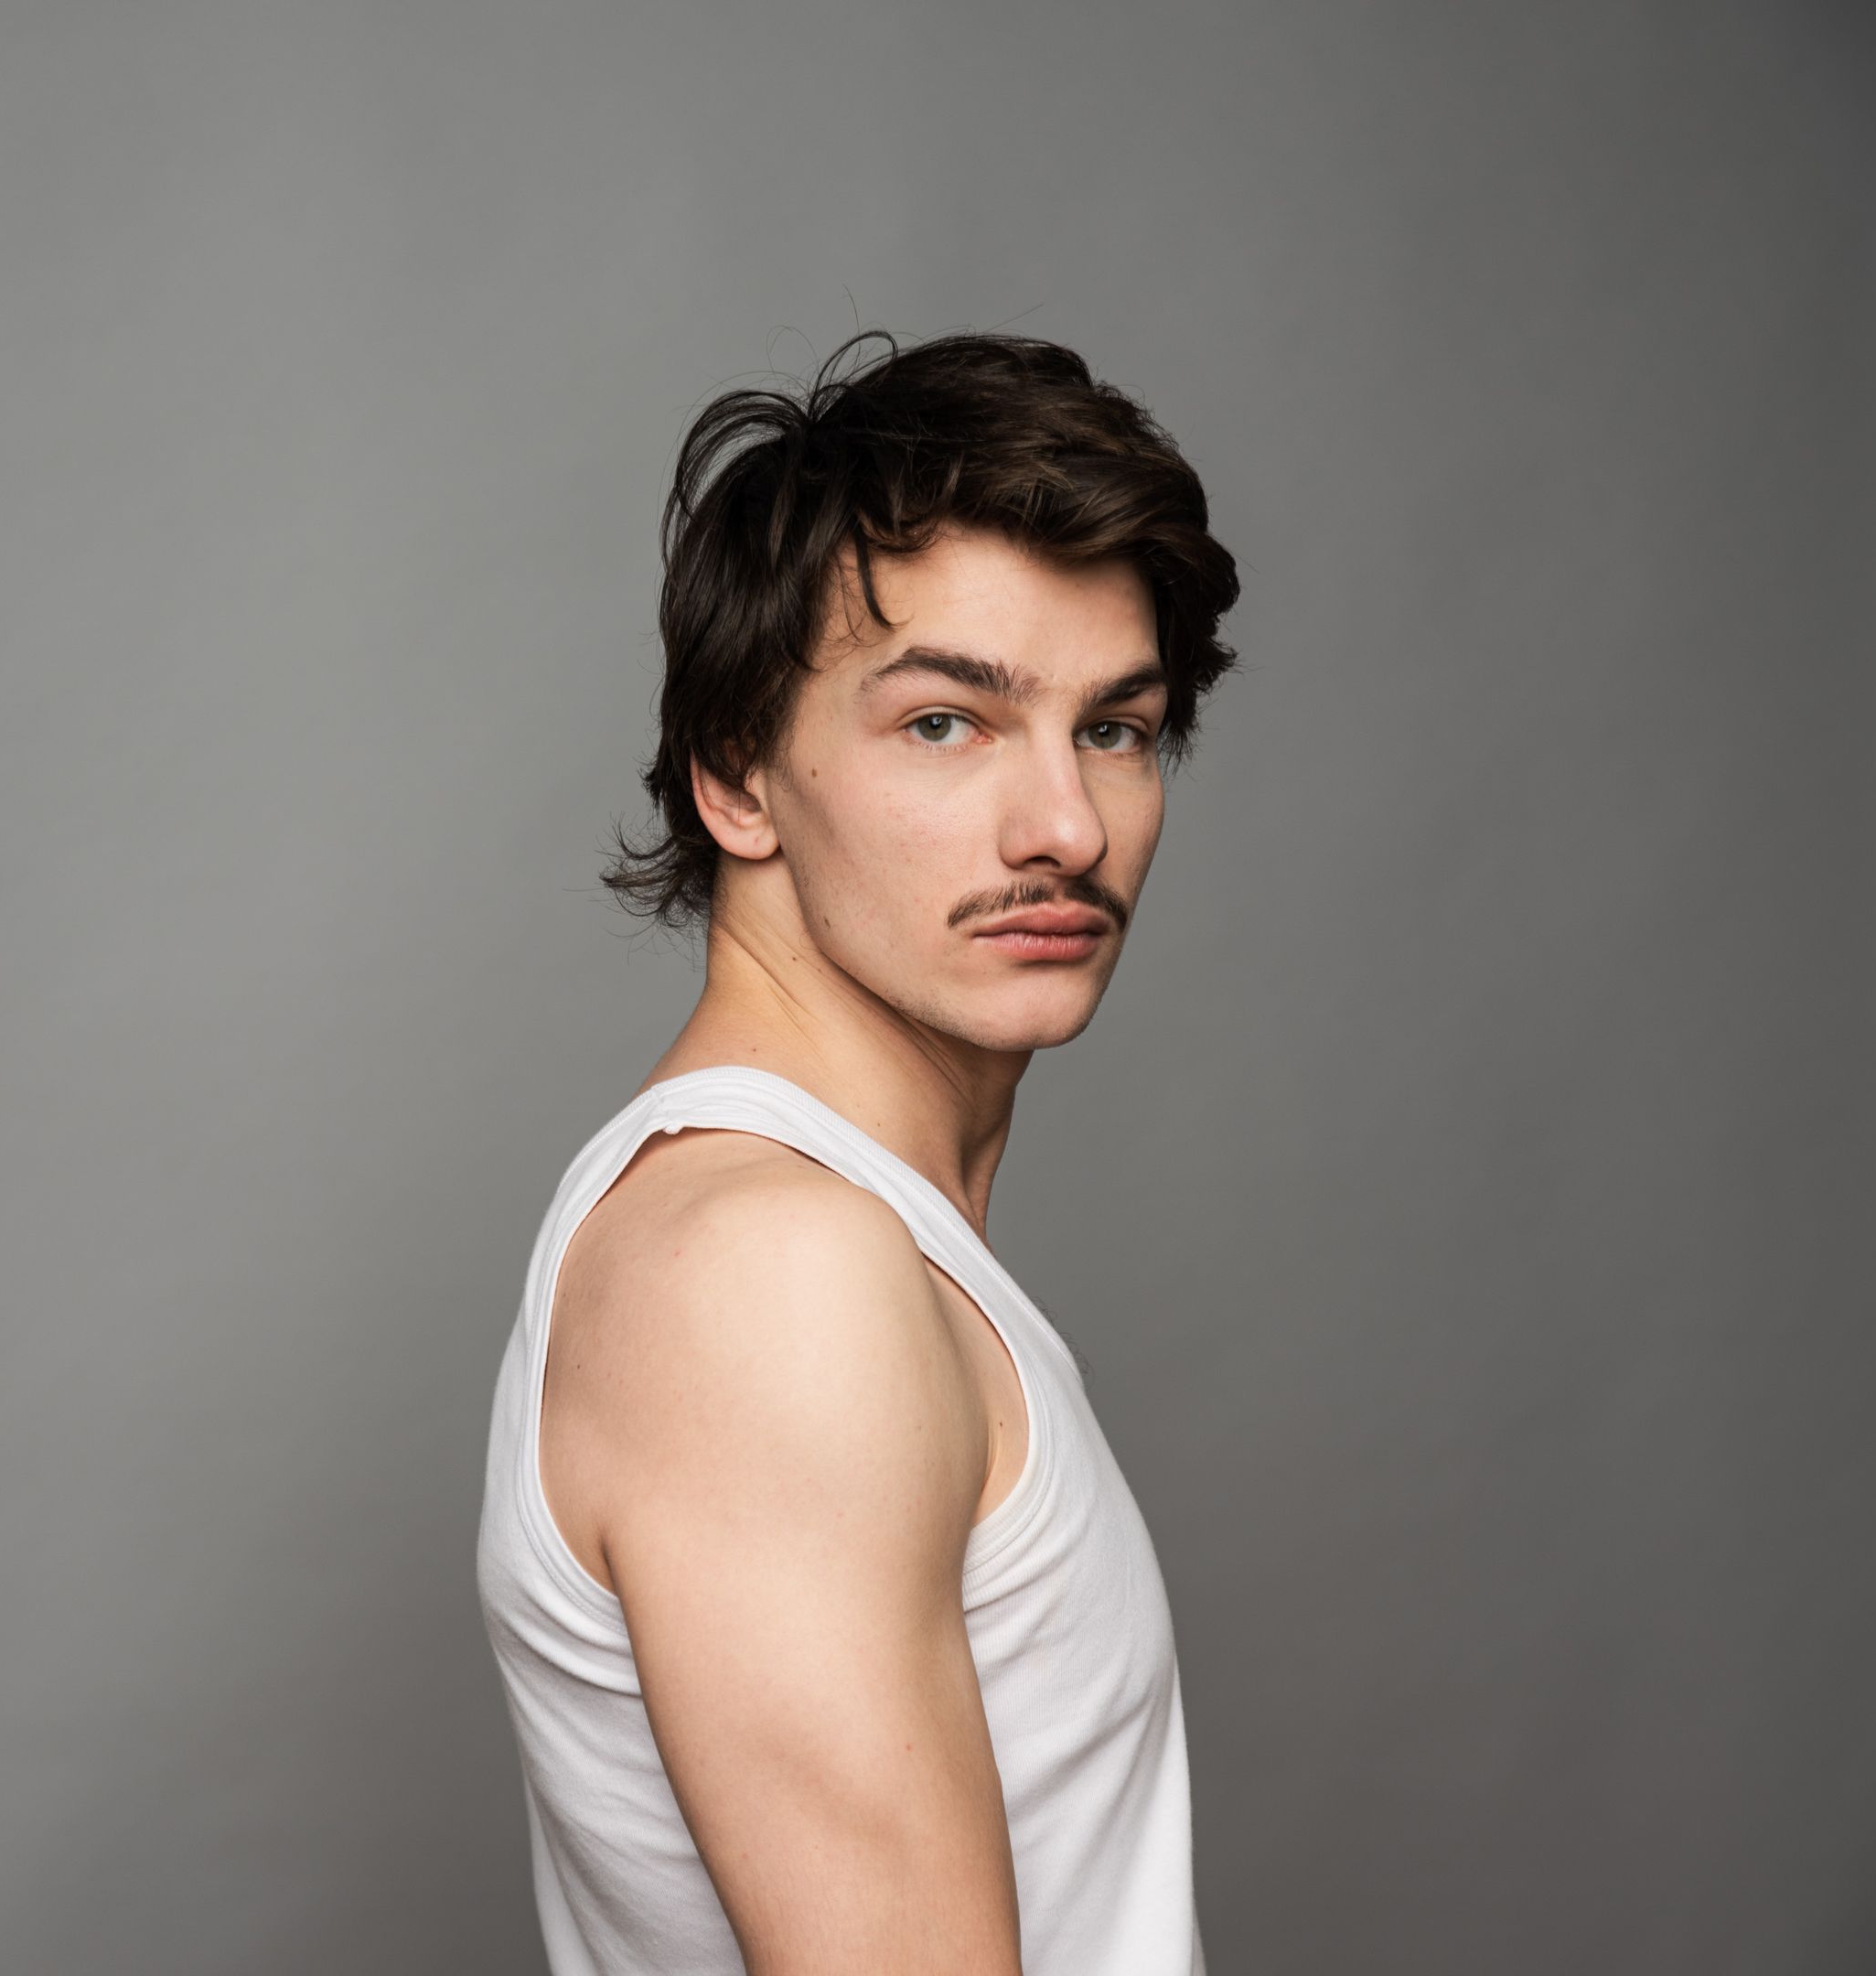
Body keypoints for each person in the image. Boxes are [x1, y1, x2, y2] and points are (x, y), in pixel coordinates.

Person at [475, 328, 1243, 1974]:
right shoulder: (766, 1272)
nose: (1067, 827)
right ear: (736, 775)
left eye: (1116, 728)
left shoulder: (835, 1235)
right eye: (948, 724)